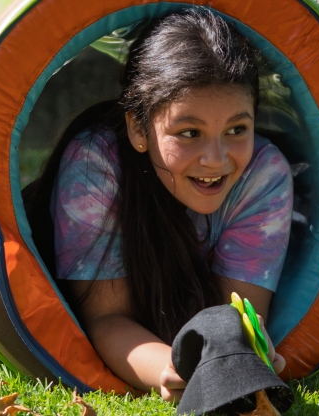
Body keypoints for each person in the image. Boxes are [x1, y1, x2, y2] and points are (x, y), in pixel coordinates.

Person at [23, 8, 293, 402]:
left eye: (237, 129)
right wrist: (169, 370)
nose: (216, 159)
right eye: (189, 132)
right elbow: (106, 317)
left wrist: (241, 352)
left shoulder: (263, 175)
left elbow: (235, 317)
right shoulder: (96, 165)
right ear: (139, 129)